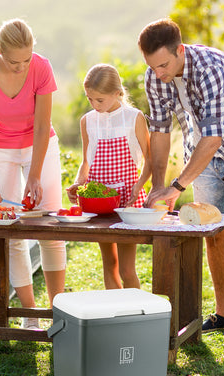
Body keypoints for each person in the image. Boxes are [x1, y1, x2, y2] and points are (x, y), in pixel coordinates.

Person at [138, 18, 224, 345]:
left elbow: (214, 138)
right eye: (152, 67)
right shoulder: (156, 76)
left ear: (180, 50)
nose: (159, 74)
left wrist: (177, 186)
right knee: (212, 233)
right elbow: (159, 132)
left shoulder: (210, 69)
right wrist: (158, 185)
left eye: (164, 65)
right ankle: (223, 313)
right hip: (200, 157)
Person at [0, 18, 66, 328]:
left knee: (51, 223)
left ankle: (57, 312)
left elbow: (40, 124)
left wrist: (34, 174)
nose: (22, 67)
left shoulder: (41, 67)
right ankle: (31, 315)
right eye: (13, 61)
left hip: (39, 144)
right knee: (10, 227)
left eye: (27, 59)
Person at [66, 63, 151, 290]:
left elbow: (149, 160)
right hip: (99, 203)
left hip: (127, 201)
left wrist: (139, 185)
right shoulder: (87, 121)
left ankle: (135, 313)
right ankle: (116, 314)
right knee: (109, 263)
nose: (94, 105)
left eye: (99, 100)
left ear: (117, 93)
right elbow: (86, 162)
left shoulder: (134, 117)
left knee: (126, 268)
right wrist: (78, 184)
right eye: (89, 99)